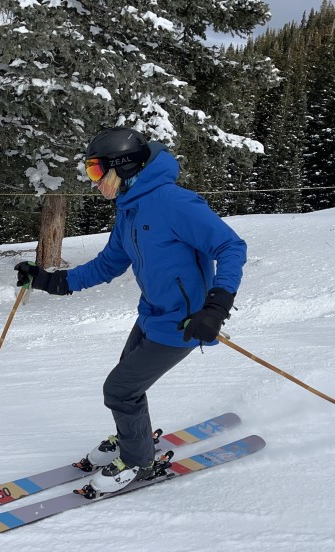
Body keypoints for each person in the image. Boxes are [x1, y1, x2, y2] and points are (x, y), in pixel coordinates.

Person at [14, 127, 247, 493]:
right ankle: (132, 440)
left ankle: (139, 462)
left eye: (95, 171)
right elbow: (108, 264)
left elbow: (230, 247)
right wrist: (50, 281)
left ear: (121, 168)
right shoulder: (130, 210)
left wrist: (216, 307)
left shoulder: (175, 203)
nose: (92, 182)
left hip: (184, 323)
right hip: (151, 315)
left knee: (120, 390)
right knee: (127, 389)